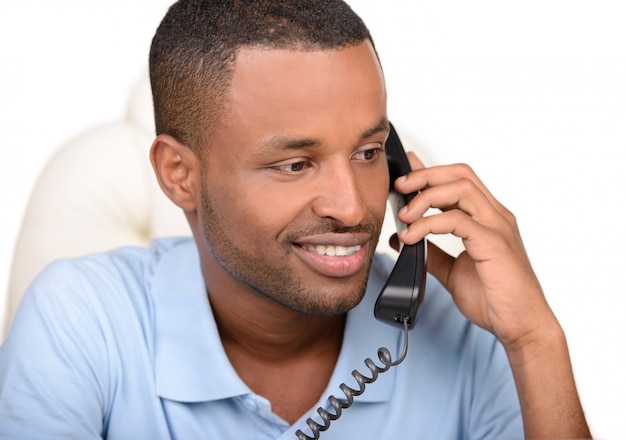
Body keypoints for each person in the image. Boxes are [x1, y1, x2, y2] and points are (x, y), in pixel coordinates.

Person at [0, 0, 591, 439]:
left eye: (366, 153)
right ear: (179, 174)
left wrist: (535, 341)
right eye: (295, 163)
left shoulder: (459, 327)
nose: (353, 205)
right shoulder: (83, 318)